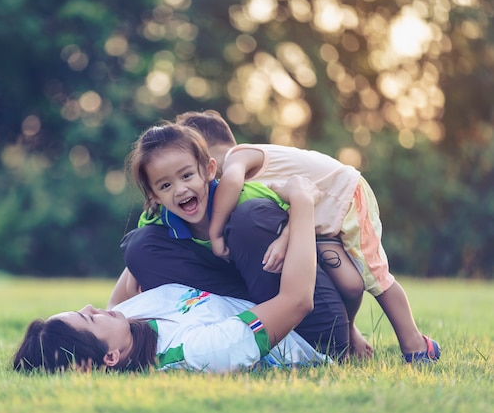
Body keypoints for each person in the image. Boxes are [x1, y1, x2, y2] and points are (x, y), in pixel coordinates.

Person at [175, 109, 441, 363]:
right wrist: (283, 239)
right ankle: (350, 335)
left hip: (344, 199)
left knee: (375, 276)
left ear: (205, 152)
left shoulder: (238, 156)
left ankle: (415, 344)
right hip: (318, 219)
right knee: (350, 283)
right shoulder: (254, 182)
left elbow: (232, 181)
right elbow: (291, 209)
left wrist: (216, 233)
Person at [13, 176, 328, 373]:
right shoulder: (201, 352)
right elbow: (296, 301)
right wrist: (301, 202)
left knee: (141, 244)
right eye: (91, 319)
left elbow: (138, 258)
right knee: (250, 219)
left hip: (240, 290)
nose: (93, 308)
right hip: (308, 331)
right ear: (110, 357)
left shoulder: (124, 321)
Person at [110, 122, 350, 360]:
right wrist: (103, 323)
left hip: (315, 327)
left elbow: (307, 210)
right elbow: (128, 283)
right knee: (139, 247)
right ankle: (238, 330)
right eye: (166, 185)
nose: (181, 189)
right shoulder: (159, 223)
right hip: (244, 316)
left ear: (209, 170)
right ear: (155, 195)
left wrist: (286, 236)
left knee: (250, 217)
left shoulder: (246, 193)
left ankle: (320, 333)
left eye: (187, 175)